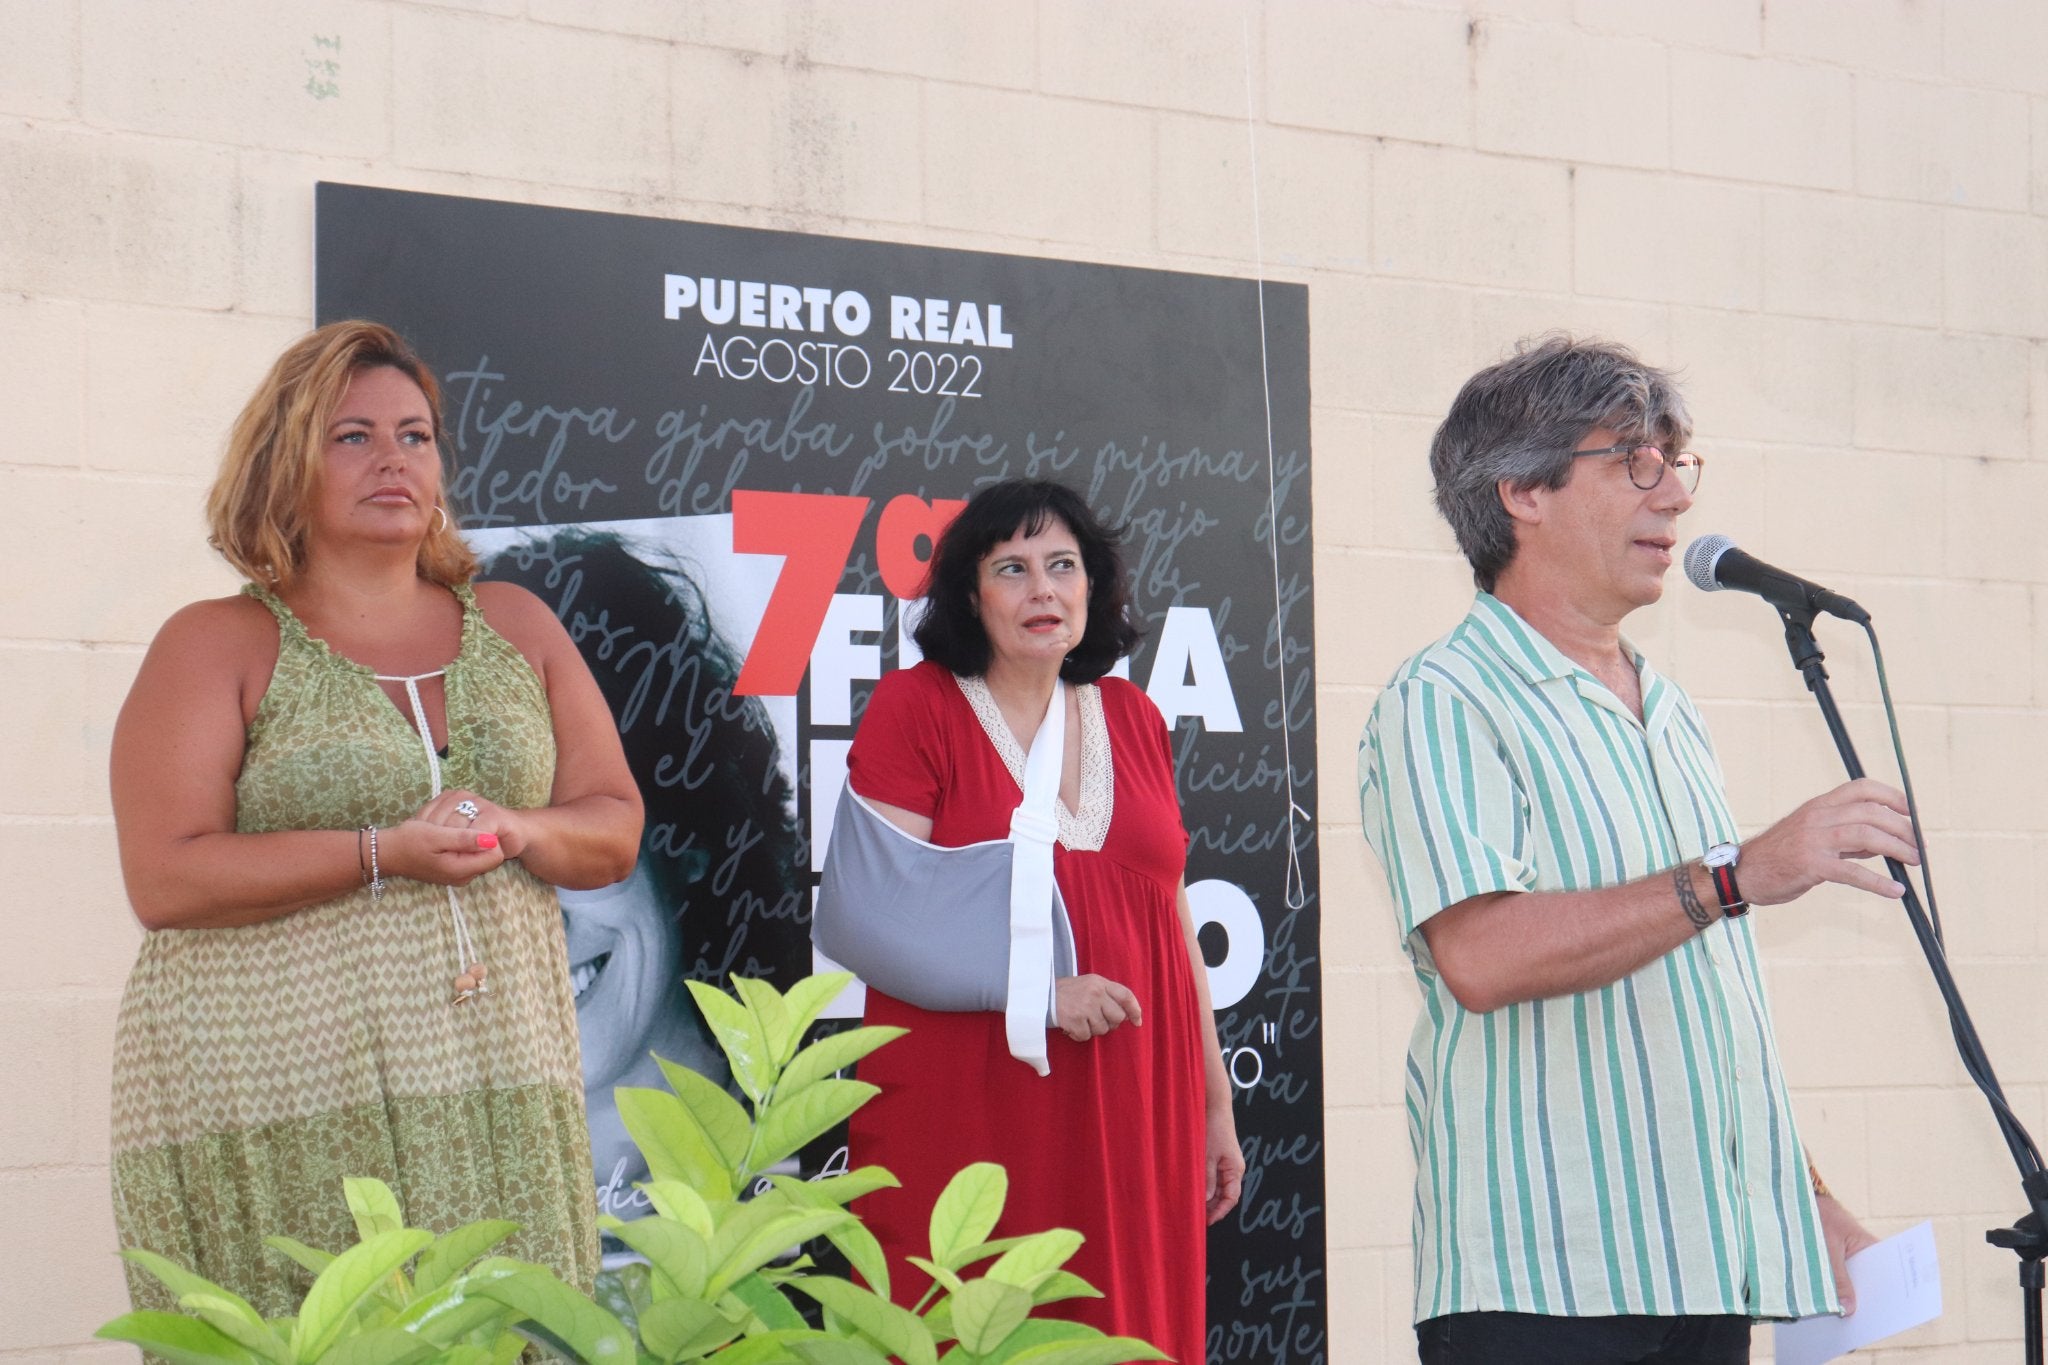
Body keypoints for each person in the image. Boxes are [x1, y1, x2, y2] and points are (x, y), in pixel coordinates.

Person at [1357, 336, 1914, 1365]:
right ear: (1522, 490)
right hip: (1545, 1286)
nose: (1672, 499)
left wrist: (1807, 1196)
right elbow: (1478, 956)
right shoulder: (1442, 700)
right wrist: (1738, 875)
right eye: (1632, 463)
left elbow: (1698, 996)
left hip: (1707, 1269)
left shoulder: (1667, 709)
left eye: (1675, 463)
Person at [108, 321, 643, 1317]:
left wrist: (516, 827)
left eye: (415, 434)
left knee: (506, 1332)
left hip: (498, 1090)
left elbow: (610, 826)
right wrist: (380, 852)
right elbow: (165, 878)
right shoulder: (215, 641)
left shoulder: (517, 624)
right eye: (352, 436)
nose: (393, 459)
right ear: (284, 467)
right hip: (274, 1096)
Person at [838, 479, 1243, 1360]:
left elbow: (1173, 922)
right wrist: (1033, 990)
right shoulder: (919, 708)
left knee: (1126, 1327)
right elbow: (869, 915)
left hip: (1141, 1095)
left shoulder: (1135, 718)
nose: (1042, 590)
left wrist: (1214, 1099)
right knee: (970, 1319)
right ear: (970, 595)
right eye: (1011, 569)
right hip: (973, 1091)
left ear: (1092, 587)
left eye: (1062, 566)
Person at [479, 529, 806, 1222]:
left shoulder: (824, 1144)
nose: (538, 921)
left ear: (684, 834)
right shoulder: (414, 1204)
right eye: (477, 851)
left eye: (570, 827)